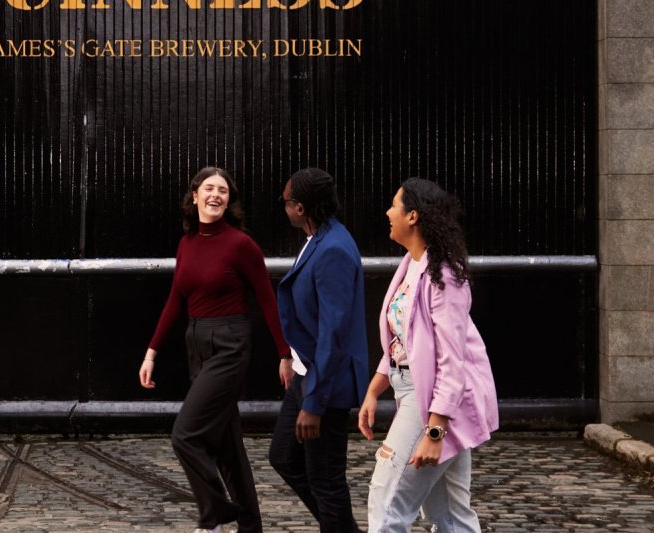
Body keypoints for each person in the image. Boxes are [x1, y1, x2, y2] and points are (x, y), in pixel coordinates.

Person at [140, 166, 293, 533]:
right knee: (227, 444)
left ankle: (215, 515)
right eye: (209, 188)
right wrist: (151, 352)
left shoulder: (240, 245)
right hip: (196, 343)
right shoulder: (187, 243)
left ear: (228, 201)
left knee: (185, 435)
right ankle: (250, 526)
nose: (216, 195)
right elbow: (176, 299)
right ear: (194, 196)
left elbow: (267, 300)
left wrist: (284, 354)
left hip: (230, 344)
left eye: (222, 191)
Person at [358, 178, 498, 533]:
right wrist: (375, 390)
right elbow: (405, 343)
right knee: (450, 514)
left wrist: (435, 433)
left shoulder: (443, 277)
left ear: (413, 216)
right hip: (417, 393)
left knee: (387, 502)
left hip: (434, 404)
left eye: (394, 206)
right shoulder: (411, 264)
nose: (388, 212)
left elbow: (452, 362)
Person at [269, 168, 371, 533]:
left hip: (326, 384)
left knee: (326, 479)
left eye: (285, 201)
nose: (283, 207)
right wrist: (290, 357)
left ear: (299, 207)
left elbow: (334, 333)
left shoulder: (334, 249)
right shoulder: (318, 238)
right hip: (305, 372)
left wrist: (315, 404)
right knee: (284, 456)